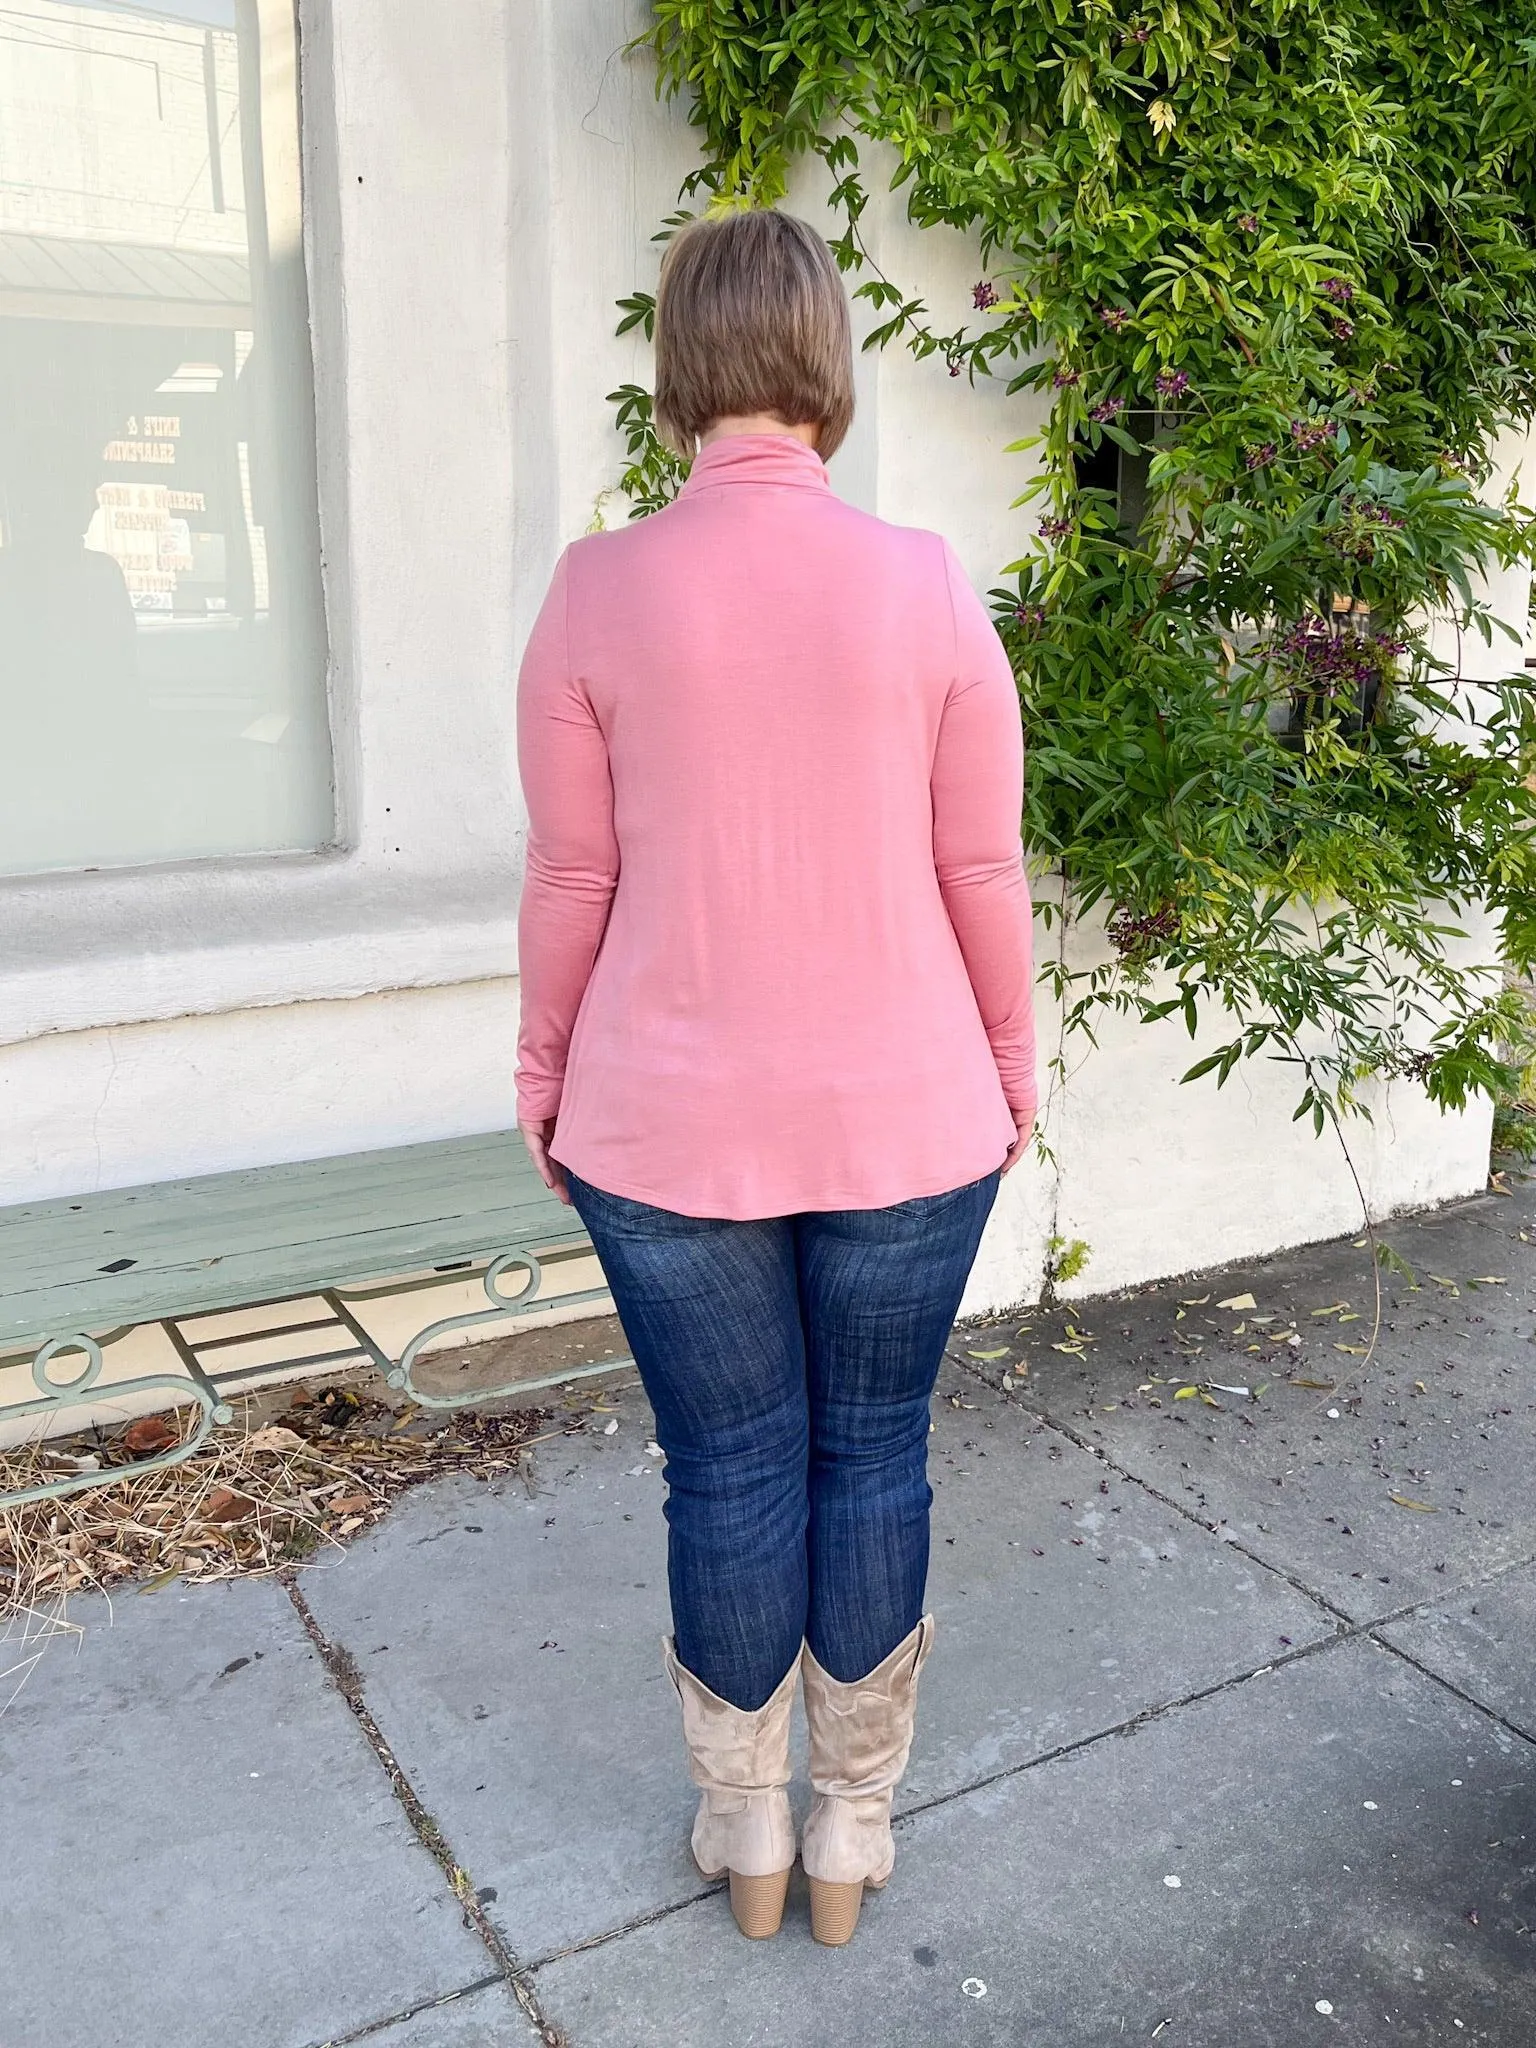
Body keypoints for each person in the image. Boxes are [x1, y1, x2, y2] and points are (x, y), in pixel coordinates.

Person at [515, 208, 1036, 1946]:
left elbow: (574, 879)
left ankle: (742, 1830)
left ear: (676, 375)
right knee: (874, 1457)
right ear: (829, 367)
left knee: (725, 1466)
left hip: (661, 1124)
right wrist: (1012, 1065)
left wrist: (544, 1071)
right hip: (911, 1112)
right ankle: (847, 1841)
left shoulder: (598, 589)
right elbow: (982, 872)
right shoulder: (927, 583)